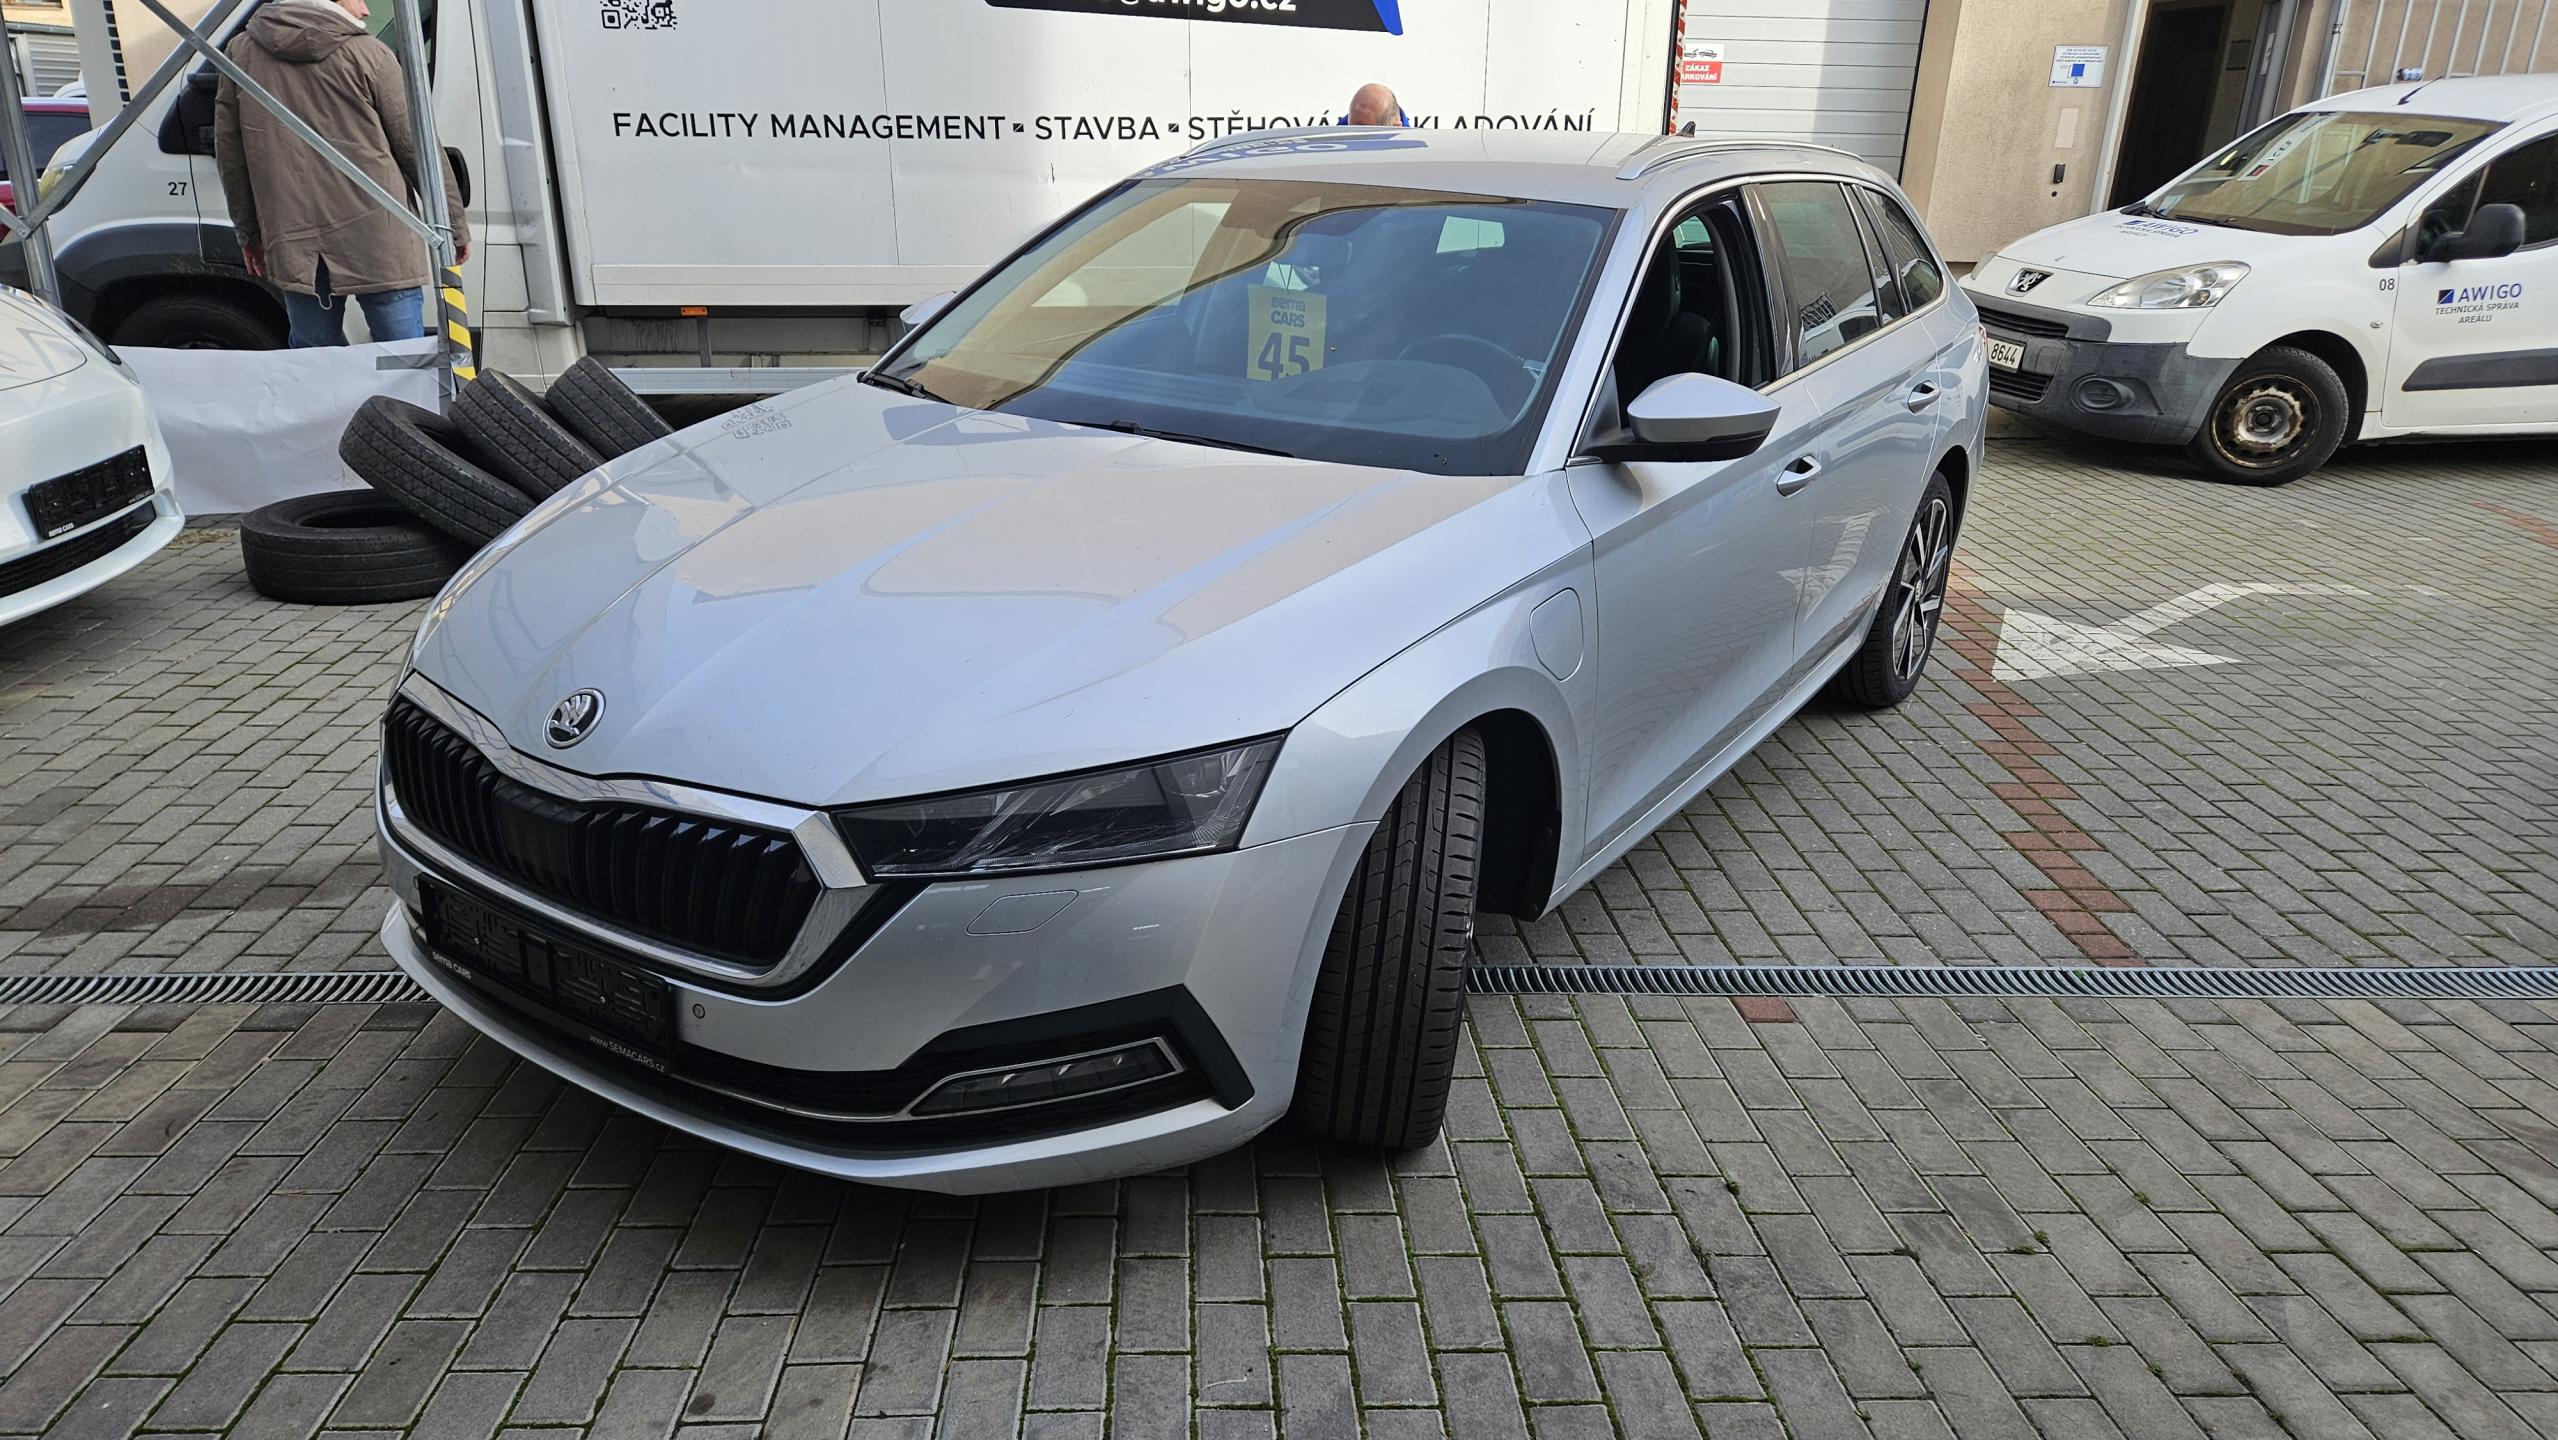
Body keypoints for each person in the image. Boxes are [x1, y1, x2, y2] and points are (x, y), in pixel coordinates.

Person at [213, 0, 468, 348]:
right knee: (402, 358)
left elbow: (231, 155)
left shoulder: (240, 54)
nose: (364, 9)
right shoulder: (369, 54)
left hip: (294, 238)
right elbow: (417, 147)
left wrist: (249, 233)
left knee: (313, 360)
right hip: (381, 236)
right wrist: (452, 224)